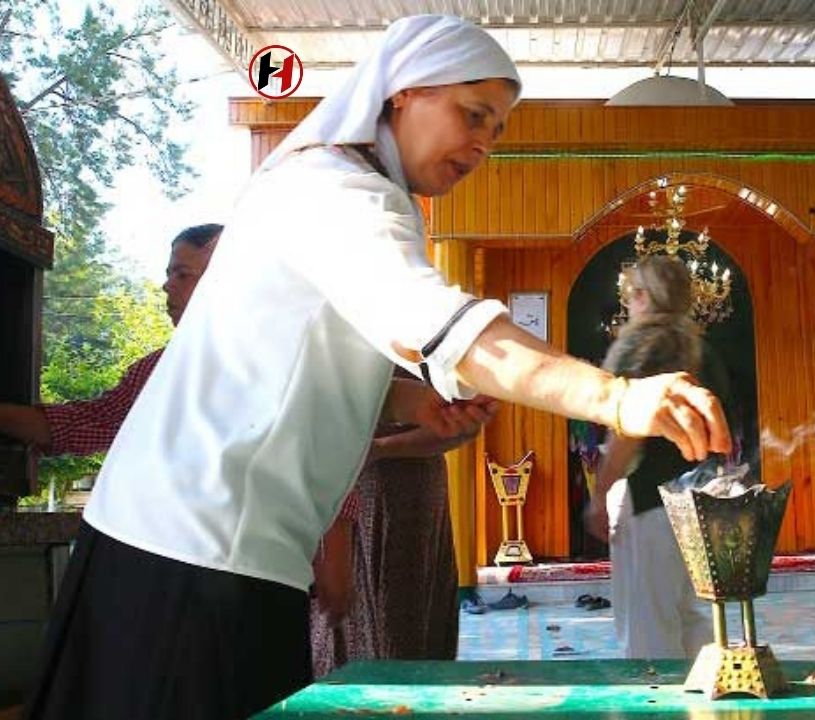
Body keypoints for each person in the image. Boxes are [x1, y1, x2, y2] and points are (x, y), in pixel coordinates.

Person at [24, 15, 728, 720]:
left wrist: (402, 401)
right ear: (401, 94)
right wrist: (613, 395)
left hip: (217, 546)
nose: (483, 143)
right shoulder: (335, 189)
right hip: (190, 549)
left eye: (497, 129)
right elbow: (446, 324)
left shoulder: (355, 191)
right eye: (473, 114)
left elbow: (293, 360)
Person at [586, 256, 732, 659]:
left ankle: (653, 704)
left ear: (645, 298)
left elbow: (626, 435)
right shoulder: (702, 349)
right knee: (685, 613)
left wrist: (600, 496)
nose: (629, 303)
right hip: (701, 502)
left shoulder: (645, 348)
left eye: (632, 293)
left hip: (651, 501)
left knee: (646, 624)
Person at [310, 370, 495, 675]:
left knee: (402, 629)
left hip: (408, 499)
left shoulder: (424, 342)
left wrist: (379, 449)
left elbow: (465, 426)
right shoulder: (341, 348)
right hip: (352, 490)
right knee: (343, 626)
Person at [0, 224, 221, 455]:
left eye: (183, 274)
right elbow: (89, 421)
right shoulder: (155, 370)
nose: (166, 286)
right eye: (169, 274)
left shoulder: (258, 363)